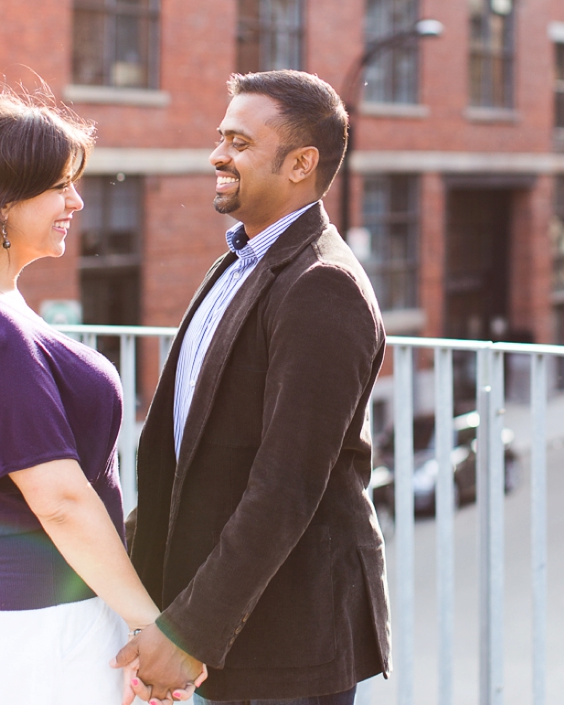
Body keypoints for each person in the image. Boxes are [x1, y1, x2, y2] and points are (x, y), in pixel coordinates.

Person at [0, 94, 206, 705]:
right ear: (1, 202)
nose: (77, 202)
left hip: (21, 617)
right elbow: (61, 500)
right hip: (32, 629)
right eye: (60, 186)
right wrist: (152, 628)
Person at [116, 70, 391, 705]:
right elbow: (192, 455)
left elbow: (286, 486)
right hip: (223, 623)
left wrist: (189, 633)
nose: (217, 154)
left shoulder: (324, 286)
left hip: (287, 641)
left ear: (300, 163)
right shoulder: (239, 262)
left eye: (239, 142)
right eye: (221, 137)